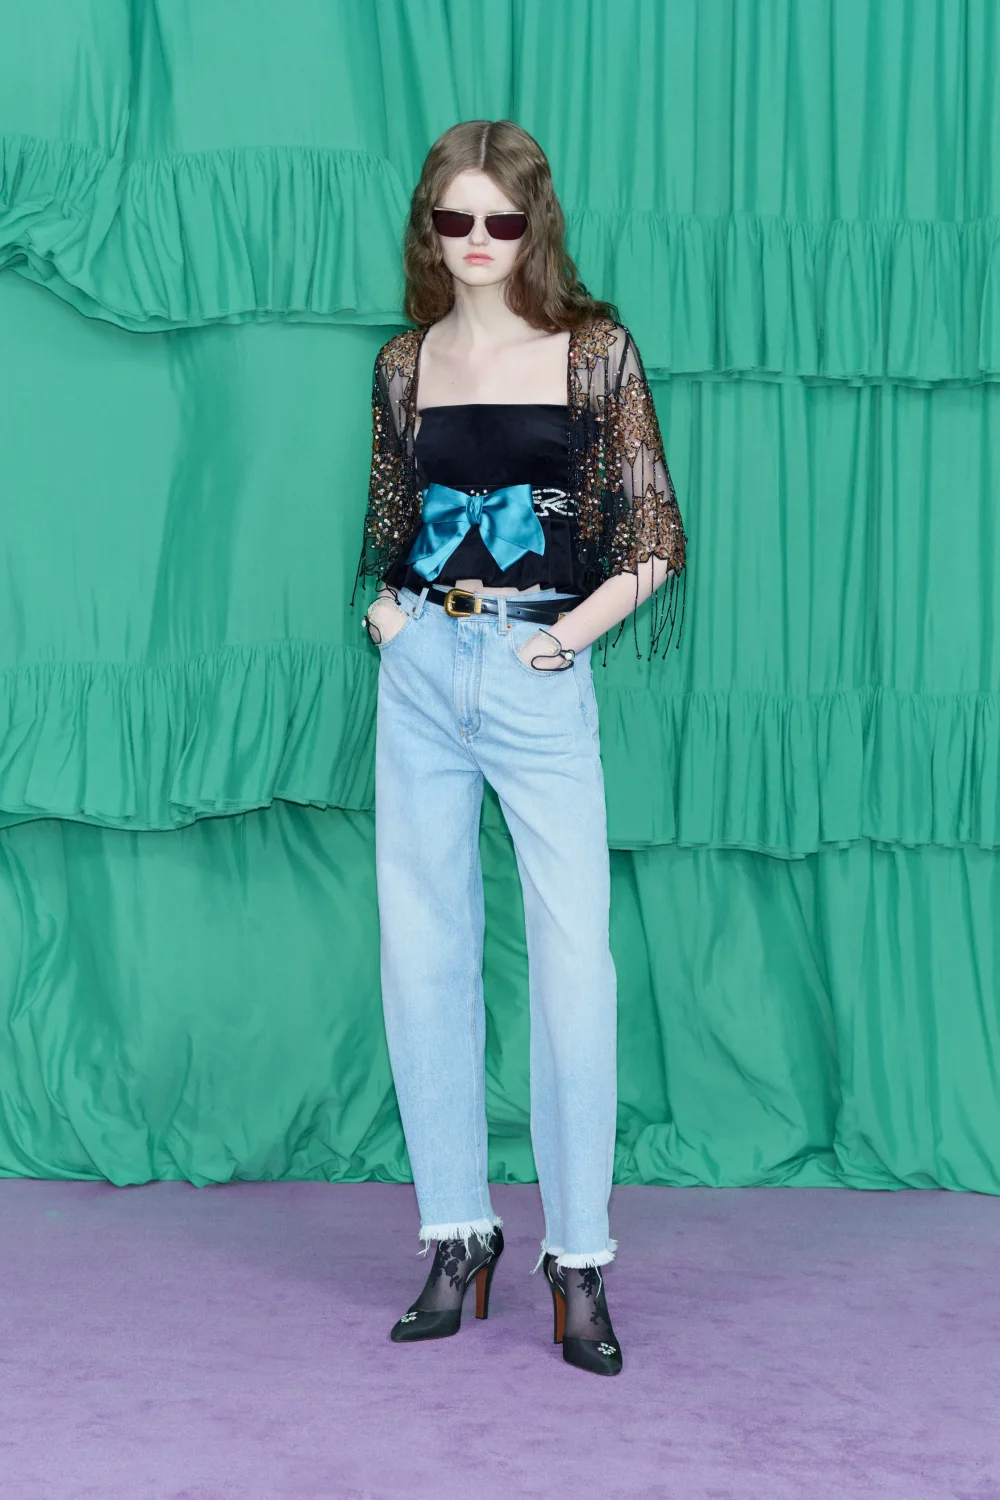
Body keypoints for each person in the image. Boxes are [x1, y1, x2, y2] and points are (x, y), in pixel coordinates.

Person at [350, 119, 687, 1376]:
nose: (479, 240)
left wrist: (568, 640)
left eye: (502, 219)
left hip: (541, 669)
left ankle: (579, 1257)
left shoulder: (592, 352)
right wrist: (385, 616)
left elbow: (654, 535)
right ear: (429, 227)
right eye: (457, 219)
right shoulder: (404, 363)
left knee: (572, 964)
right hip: (422, 667)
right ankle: (456, 1234)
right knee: (422, 948)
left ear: (533, 224)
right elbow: (391, 518)